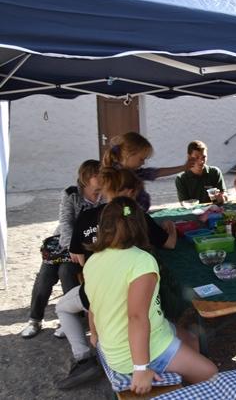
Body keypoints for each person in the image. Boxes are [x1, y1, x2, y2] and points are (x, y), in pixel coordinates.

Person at [54, 168, 176, 390]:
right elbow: (169, 243)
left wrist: (99, 272)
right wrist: (172, 228)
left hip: (96, 294)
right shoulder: (135, 215)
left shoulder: (85, 216)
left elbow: (77, 256)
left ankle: (84, 357)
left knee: (62, 308)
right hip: (132, 295)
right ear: (129, 192)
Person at [84, 197, 217, 395]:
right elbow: (136, 317)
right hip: (135, 353)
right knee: (211, 374)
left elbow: (93, 306)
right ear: (140, 226)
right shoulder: (142, 261)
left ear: (103, 226)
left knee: (191, 338)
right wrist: (141, 368)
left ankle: (183, 381)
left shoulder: (93, 261)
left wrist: (95, 335)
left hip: (122, 342)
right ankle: (183, 388)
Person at [20, 160, 102, 339]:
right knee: (45, 275)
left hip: (89, 246)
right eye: (98, 175)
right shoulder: (71, 194)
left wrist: (80, 248)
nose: (102, 178)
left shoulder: (105, 195)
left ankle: (70, 319)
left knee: (66, 271)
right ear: (86, 178)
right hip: (65, 244)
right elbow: (65, 222)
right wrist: (71, 247)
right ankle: (35, 319)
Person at [102, 132, 192, 211]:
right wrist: (130, 216)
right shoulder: (118, 176)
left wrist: (183, 168)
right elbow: (121, 207)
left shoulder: (134, 172)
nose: (143, 163)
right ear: (129, 155)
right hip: (128, 218)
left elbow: (157, 172)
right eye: (141, 159)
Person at [175, 140, 227, 204]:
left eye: (204, 157)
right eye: (196, 157)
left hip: (214, 209)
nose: (201, 161)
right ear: (189, 157)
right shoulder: (181, 178)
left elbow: (224, 194)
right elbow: (184, 203)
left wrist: (222, 197)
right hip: (194, 210)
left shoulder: (215, 172)